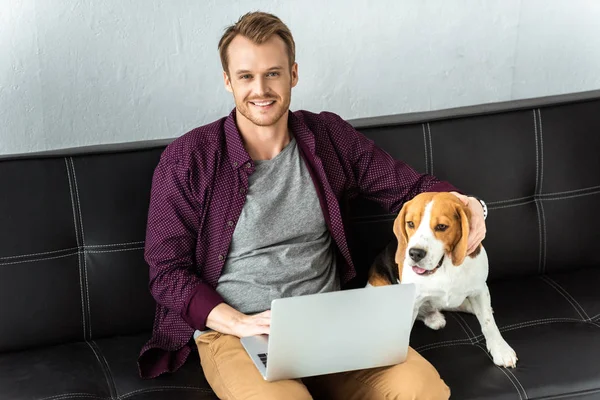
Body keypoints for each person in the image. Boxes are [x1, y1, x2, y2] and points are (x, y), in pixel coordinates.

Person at [138, 11, 487, 400]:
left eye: (273, 73)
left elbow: (411, 187)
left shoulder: (328, 137)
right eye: (246, 76)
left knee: (423, 390)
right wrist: (236, 322)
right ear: (227, 81)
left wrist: (470, 205)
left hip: (331, 323)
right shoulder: (189, 159)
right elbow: (167, 272)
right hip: (239, 333)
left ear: (293, 74)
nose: (261, 89)